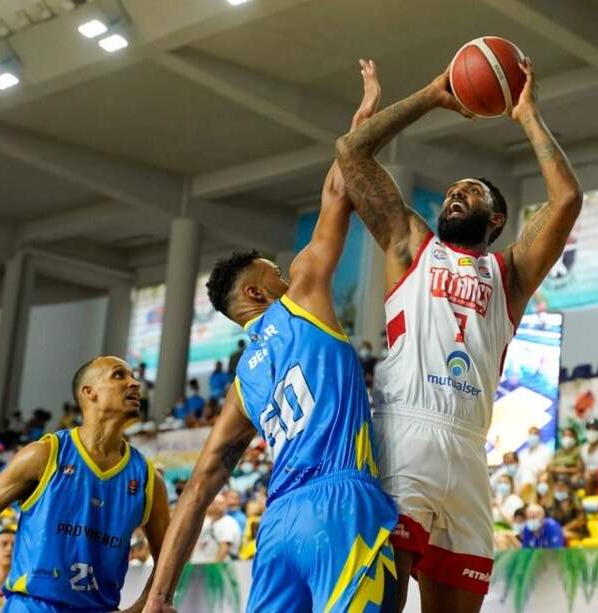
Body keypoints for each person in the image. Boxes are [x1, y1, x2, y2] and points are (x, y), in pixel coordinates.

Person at [143, 61, 397, 613]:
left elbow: (199, 487)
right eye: (274, 273)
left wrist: (159, 594)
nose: (287, 273)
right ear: (258, 294)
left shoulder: (242, 386)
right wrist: (362, 121)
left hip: (277, 525)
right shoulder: (301, 296)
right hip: (339, 504)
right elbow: (339, 191)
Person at [336, 53, 582, 609]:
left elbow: (566, 199)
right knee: (385, 602)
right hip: (405, 439)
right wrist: (429, 95)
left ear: (496, 219)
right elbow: (351, 151)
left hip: (470, 453)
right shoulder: (411, 247)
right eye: (452, 191)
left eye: (471, 192)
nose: (455, 194)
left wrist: (526, 115)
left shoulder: (510, 275)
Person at [0, 356, 171, 612]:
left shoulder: (148, 479)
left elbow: (171, 553)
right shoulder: (44, 455)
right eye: (119, 375)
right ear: (89, 392)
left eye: (134, 376)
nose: (135, 383)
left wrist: (148, 602)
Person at [190, 494, 242, 563]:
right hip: (196, 565)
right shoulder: (199, 522)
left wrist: (215, 567)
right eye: (213, 503)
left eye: (219, 503)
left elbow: (225, 547)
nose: (215, 505)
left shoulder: (229, 522)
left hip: (219, 568)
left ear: (225, 505)